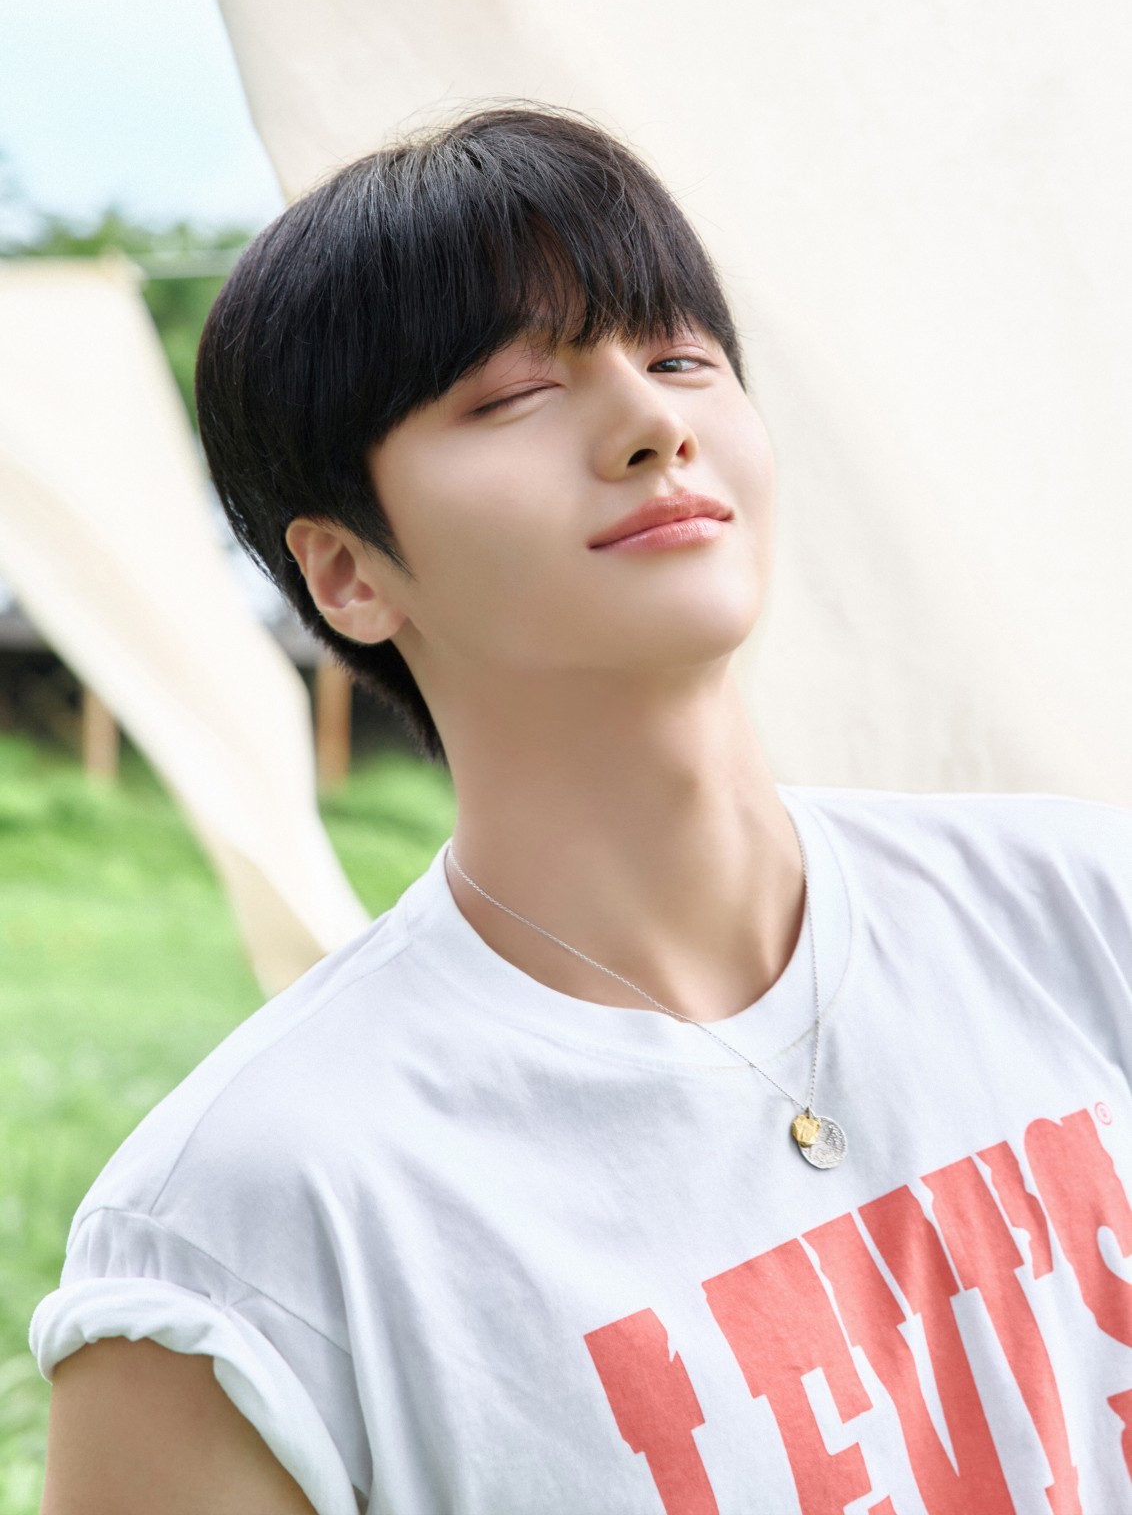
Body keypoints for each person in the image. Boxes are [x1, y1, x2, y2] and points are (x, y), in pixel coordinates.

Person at [30, 103, 1132, 1515]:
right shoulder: (248, 1238)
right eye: (511, 396)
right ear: (348, 572)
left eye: (680, 358)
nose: (654, 425)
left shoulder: (1082, 911)